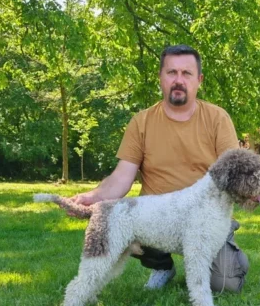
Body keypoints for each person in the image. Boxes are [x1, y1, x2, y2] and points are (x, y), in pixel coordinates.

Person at [70, 45, 249, 292]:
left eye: (186, 73)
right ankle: (162, 266)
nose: (178, 80)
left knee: (225, 283)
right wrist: (94, 197)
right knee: (127, 220)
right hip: (156, 218)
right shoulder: (141, 122)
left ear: (199, 80)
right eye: (171, 72)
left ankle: (223, 258)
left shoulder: (218, 119)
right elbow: (122, 177)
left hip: (205, 221)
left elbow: (234, 172)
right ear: (160, 78)